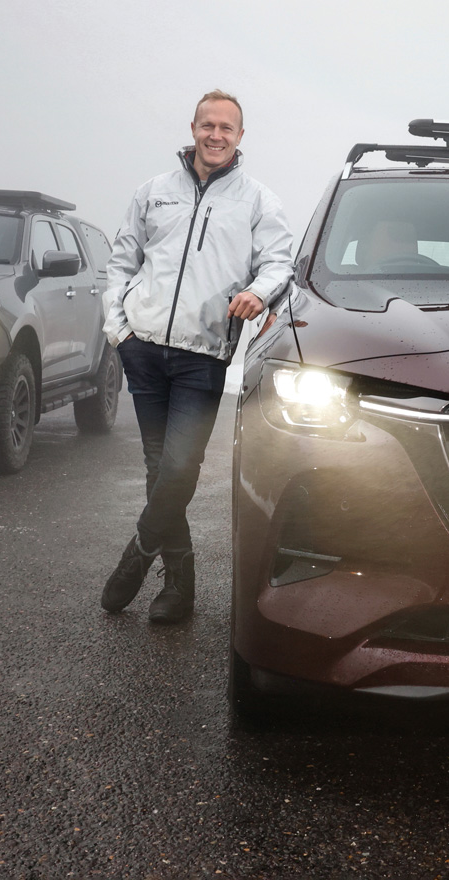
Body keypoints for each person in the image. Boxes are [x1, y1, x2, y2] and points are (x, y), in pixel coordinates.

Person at [98, 90, 294, 623]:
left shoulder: (257, 201)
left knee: (181, 466)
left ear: (240, 136)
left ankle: (137, 557)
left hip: (203, 355)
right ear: (192, 127)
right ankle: (180, 589)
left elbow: (280, 264)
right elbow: (119, 264)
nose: (215, 135)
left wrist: (259, 292)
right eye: (207, 125)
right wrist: (120, 332)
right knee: (159, 468)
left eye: (226, 127)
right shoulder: (152, 193)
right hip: (143, 350)